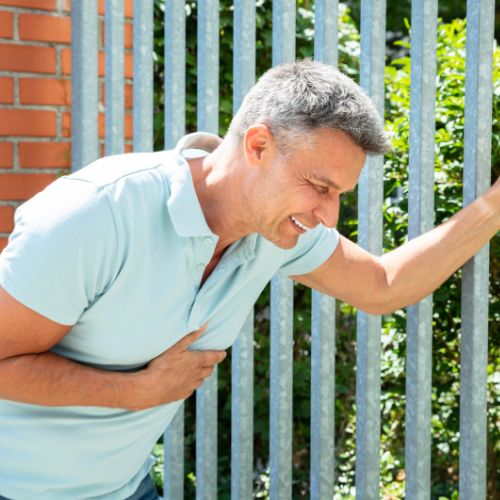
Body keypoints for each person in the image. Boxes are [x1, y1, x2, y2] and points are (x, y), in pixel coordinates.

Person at [0, 60, 498, 499]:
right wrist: (133, 392)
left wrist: (495, 206)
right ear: (258, 145)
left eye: (340, 193)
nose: (328, 214)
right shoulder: (95, 215)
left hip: (124, 488)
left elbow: (384, 285)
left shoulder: (276, 227)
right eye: (319, 187)